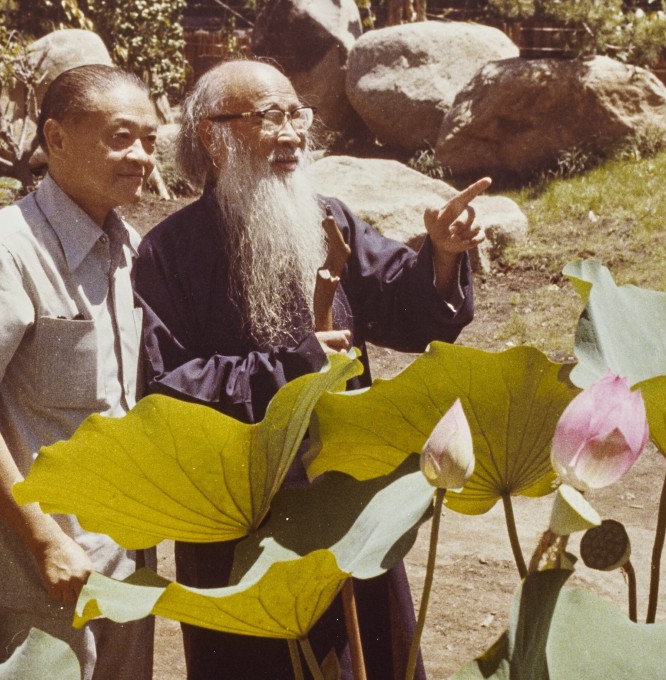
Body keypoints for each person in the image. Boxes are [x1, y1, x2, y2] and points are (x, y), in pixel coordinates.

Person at [133, 59, 491, 679]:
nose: (293, 132)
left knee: (370, 658)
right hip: (238, 515)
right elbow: (167, 386)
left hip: (348, 498)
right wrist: (293, 366)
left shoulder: (329, 218)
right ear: (214, 137)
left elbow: (405, 307)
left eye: (297, 112)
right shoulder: (168, 253)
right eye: (271, 116)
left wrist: (440, 256)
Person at [0, 64, 158, 679]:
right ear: (56, 139)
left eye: (150, 139)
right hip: (41, 569)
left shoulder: (129, 248)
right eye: (121, 137)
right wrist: (44, 541)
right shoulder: (4, 250)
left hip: (124, 556)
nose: (141, 155)